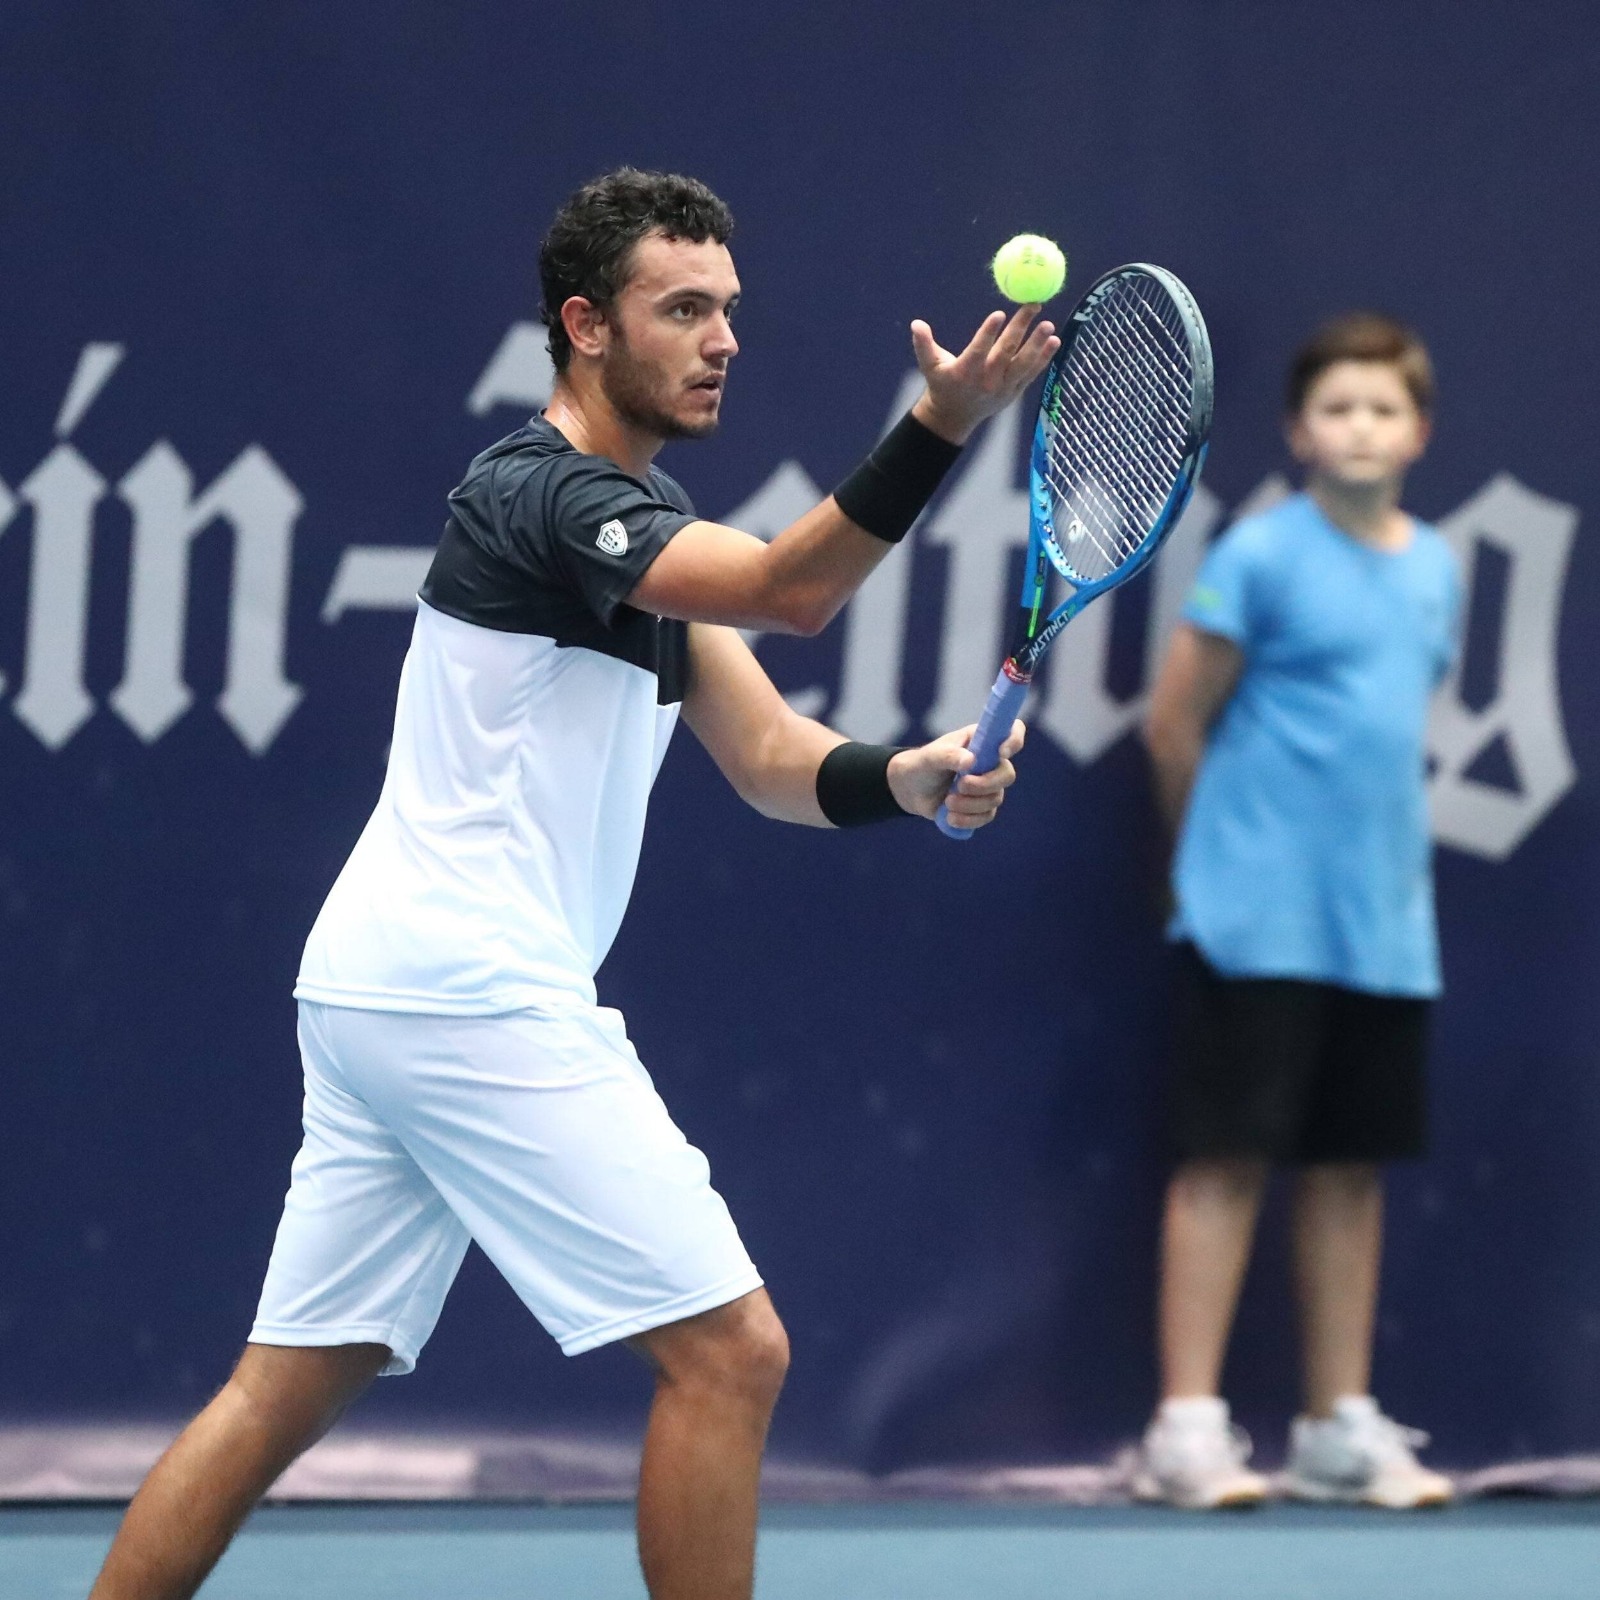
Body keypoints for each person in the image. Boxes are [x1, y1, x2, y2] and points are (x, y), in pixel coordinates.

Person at [86, 168, 1055, 1600]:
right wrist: (941, 425)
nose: (723, 338)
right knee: (732, 1354)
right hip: (465, 986)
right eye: (684, 310)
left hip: (384, 986)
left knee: (281, 1388)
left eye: (729, 309)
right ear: (585, 327)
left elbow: (774, 754)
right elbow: (795, 588)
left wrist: (907, 778)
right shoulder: (543, 495)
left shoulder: (638, 528)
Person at [1134, 312, 1460, 1511]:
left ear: (1417, 430)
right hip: (1252, 912)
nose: (1359, 426)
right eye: (1336, 407)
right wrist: (1201, 867)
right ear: (1297, 430)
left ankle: (1335, 1425)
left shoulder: (1436, 566)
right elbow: (1175, 723)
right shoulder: (1259, 555)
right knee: (1224, 1159)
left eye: (1382, 408)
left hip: (1382, 923)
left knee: (1347, 1168)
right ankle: (1186, 1428)